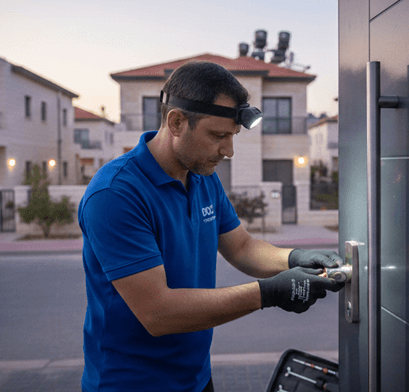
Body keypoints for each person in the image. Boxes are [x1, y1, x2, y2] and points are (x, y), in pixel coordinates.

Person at [78, 60, 344, 392]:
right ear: (176, 122)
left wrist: (295, 258)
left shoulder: (202, 177)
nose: (228, 151)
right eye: (218, 135)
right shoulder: (115, 194)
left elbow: (242, 248)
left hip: (196, 378)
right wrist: (270, 293)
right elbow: (158, 313)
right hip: (132, 384)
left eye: (231, 136)